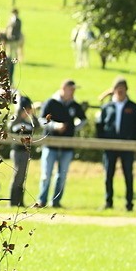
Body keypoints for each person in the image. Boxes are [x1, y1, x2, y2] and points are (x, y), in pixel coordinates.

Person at [95, 76, 136, 210]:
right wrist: (103, 140)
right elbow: (99, 125)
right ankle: (108, 201)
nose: (120, 92)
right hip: (109, 146)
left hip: (127, 146)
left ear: (126, 90)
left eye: (122, 89)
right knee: (108, 174)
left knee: (128, 175)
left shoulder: (133, 107)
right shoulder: (107, 107)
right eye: (118, 89)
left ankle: (129, 203)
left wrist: (132, 140)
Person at [36, 79, 86, 208]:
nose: (73, 92)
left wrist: (73, 128)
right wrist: (54, 126)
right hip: (50, 144)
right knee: (46, 175)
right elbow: (42, 120)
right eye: (71, 89)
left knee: (62, 175)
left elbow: (83, 119)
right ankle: (41, 200)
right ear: (63, 88)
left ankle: (56, 202)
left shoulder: (74, 105)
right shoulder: (51, 102)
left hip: (66, 146)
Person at [7, 94, 38, 208]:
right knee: (17, 175)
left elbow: (37, 125)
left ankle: (20, 201)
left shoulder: (30, 120)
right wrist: (20, 115)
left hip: (26, 151)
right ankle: (13, 201)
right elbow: (11, 128)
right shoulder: (16, 120)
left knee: (22, 176)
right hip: (17, 151)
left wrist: (32, 115)